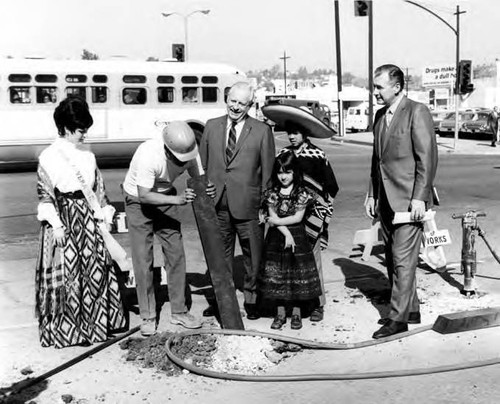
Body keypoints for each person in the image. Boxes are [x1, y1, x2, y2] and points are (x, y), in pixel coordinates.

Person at [35, 96, 125, 348]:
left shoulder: (88, 155)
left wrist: (104, 217)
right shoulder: (48, 156)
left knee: (96, 270)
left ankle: (96, 327)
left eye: (85, 129)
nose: (83, 134)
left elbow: (99, 190)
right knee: (68, 275)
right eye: (79, 130)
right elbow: (44, 194)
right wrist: (56, 225)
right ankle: (70, 332)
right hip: (62, 218)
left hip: (87, 217)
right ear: (65, 127)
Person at [365, 64, 438, 339]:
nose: (375, 92)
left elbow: (427, 158)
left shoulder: (417, 112)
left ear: (396, 87)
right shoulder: (380, 116)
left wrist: (420, 196)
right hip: (385, 199)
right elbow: (377, 160)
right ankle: (412, 309)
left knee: (403, 259)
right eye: (374, 86)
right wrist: (372, 193)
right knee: (395, 259)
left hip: (409, 200)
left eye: (379, 87)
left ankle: (398, 319)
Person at [123, 121, 212, 336]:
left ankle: (179, 311)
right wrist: (178, 199)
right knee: (142, 259)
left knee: (176, 253)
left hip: (167, 194)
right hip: (138, 200)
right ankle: (148, 315)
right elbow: (144, 195)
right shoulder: (148, 155)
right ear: (166, 148)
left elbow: (198, 177)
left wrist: (206, 186)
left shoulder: (190, 151)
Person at [199, 81, 276, 320]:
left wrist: (264, 205)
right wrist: (204, 187)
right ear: (226, 99)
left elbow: (268, 172)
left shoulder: (262, 131)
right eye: (233, 101)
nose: (236, 107)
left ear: (250, 105)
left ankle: (253, 300)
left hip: (248, 204)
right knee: (219, 256)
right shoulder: (211, 127)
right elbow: (200, 165)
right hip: (217, 202)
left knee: (253, 256)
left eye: (242, 103)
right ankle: (223, 300)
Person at [278, 122, 339, 322]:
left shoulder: (317, 154)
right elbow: (276, 180)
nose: (292, 136)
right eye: (289, 132)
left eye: (295, 132)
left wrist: (318, 207)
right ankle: (293, 303)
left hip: (312, 215)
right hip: (288, 215)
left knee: (313, 261)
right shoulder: (284, 152)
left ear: (305, 133)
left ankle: (317, 304)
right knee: (290, 261)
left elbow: (330, 186)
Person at [259, 151, 321, 330]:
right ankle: (279, 314)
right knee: (278, 277)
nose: (283, 176)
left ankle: (296, 313)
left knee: (296, 277)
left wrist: (277, 222)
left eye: (287, 172)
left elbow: (298, 217)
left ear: (295, 172)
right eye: (279, 172)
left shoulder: (301, 193)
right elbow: (272, 214)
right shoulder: (272, 193)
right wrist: (285, 233)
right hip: (277, 237)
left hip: (298, 238)